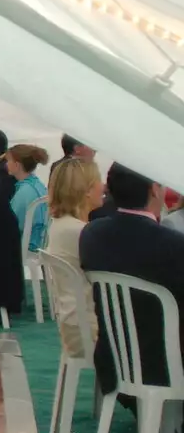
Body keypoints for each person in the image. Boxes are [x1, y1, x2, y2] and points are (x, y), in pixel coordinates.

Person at [79, 163, 184, 400]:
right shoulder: (173, 245)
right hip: (165, 364)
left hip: (114, 357)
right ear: (155, 189)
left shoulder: (91, 234)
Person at [43, 158, 103, 358]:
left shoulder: (62, 225)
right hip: (90, 331)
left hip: (73, 324)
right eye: (98, 181)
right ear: (86, 190)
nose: (103, 187)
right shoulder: (81, 232)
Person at [5, 144, 50, 251]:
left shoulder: (24, 192)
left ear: (17, 165)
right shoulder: (38, 185)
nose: (6, 164)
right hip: (40, 247)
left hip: (25, 250)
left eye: (8, 160)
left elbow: (11, 226)